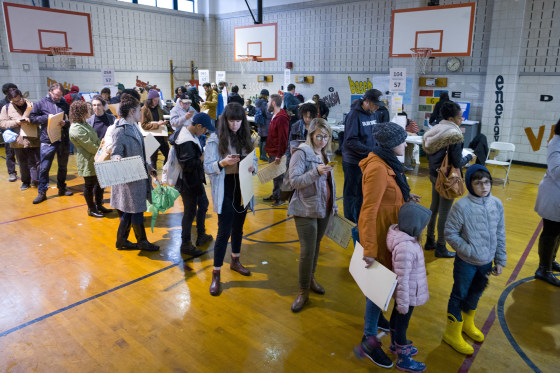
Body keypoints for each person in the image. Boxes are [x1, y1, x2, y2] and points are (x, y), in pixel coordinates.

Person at [354, 121, 420, 369]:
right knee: (377, 292)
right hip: (381, 239)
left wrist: (405, 198)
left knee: (383, 290)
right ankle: (369, 340)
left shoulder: (389, 164)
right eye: (403, 140)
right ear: (392, 144)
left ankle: (375, 329)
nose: (406, 143)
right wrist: (370, 250)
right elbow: (368, 211)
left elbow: (387, 199)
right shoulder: (378, 169)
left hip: (390, 236)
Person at [443, 164, 506, 354]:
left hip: (486, 262)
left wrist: (500, 259)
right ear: (470, 185)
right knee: (459, 294)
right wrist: (469, 250)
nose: (484, 187)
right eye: (478, 183)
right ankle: (451, 333)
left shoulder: (497, 204)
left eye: (487, 182)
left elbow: (500, 232)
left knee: (476, 293)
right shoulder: (461, 206)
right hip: (466, 262)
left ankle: (467, 323)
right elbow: (450, 233)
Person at [204, 103, 258, 296]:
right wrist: (222, 163)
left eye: (238, 121)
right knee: (223, 232)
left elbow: (254, 160)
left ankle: (235, 261)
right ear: (225, 121)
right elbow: (208, 167)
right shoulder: (215, 139)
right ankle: (216, 272)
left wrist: (253, 167)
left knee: (238, 228)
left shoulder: (246, 138)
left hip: (242, 187)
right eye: (231, 121)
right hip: (225, 187)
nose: (235, 124)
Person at [287, 118, 337, 312]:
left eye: (326, 136)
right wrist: (316, 172)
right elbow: (294, 182)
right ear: (311, 134)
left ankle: (311, 279)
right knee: (307, 251)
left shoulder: (324, 153)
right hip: (305, 207)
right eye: (319, 136)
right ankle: (303, 291)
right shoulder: (301, 153)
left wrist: (334, 204)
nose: (323, 140)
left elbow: (330, 182)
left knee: (316, 247)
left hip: (323, 206)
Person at [422, 101, 473, 258]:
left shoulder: (434, 130)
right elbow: (457, 162)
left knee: (434, 207)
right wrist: (469, 157)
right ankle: (441, 246)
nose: (461, 120)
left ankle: (430, 240)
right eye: (459, 117)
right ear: (451, 118)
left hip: (433, 174)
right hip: (447, 177)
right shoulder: (454, 135)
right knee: (445, 212)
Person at [111, 93, 159, 252]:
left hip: (138, 175)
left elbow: (140, 152)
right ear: (132, 112)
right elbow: (115, 152)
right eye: (139, 110)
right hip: (130, 178)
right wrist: (117, 158)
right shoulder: (120, 130)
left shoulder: (134, 127)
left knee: (132, 210)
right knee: (135, 210)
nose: (141, 113)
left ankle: (122, 240)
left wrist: (149, 167)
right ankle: (141, 241)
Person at [386, 202, 431, 372]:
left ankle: (394, 344)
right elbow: (402, 279)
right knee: (401, 326)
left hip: (408, 293)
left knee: (396, 320)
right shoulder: (406, 247)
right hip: (408, 294)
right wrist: (404, 303)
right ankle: (403, 358)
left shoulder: (408, 241)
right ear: (415, 226)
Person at [174, 112, 215, 256]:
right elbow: (188, 164)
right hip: (188, 183)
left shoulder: (188, 135)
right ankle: (185, 244)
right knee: (190, 213)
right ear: (198, 126)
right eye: (204, 129)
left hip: (194, 180)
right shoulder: (186, 141)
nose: (205, 132)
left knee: (203, 204)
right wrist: (203, 157)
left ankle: (201, 235)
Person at [341, 89, 384, 223]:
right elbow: (350, 141)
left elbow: (374, 135)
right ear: (367, 101)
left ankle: (359, 219)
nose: (377, 107)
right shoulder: (354, 115)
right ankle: (350, 221)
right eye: (375, 104)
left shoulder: (372, 114)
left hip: (367, 160)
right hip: (353, 162)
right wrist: (371, 150)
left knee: (362, 192)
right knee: (352, 193)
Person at [30, 83, 73, 204]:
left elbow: (72, 119)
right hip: (48, 140)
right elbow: (32, 118)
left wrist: (66, 122)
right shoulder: (40, 103)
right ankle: (42, 192)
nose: (57, 98)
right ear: (50, 91)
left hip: (63, 140)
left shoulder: (64, 104)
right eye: (55, 95)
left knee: (63, 167)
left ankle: (62, 188)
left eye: (60, 96)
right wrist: (45, 118)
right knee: (44, 168)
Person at [533, 118, 560, 287]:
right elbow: (557, 171)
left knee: (558, 232)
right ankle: (543, 269)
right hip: (553, 195)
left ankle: (551, 260)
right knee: (551, 231)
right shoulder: (555, 143)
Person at [68, 101, 105, 218]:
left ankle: (99, 205)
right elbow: (89, 145)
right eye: (88, 109)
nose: (90, 111)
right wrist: (102, 153)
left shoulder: (84, 124)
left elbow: (95, 141)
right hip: (88, 160)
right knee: (89, 185)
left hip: (96, 158)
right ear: (80, 112)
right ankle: (91, 208)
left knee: (100, 184)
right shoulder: (76, 128)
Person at [0, 89, 40, 190]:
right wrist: (16, 122)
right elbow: (2, 123)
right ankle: (25, 182)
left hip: (33, 138)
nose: (19, 102)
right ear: (10, 100)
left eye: (20, 99)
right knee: (23, 163)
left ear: (22, 96)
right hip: (18, 140)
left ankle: (37, 181)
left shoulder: (32, 105)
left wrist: (32, 120)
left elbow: (40, 119)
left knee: (36, 162)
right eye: (16, 101)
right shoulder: (7, 108)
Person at [86, 94, 115, 214]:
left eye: (98, 105)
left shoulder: (111, 118)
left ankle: (99, 203)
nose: (96, 107)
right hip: (95, 154)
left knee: (103, 181)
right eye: (94, 105)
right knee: (93, 182)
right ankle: (92, 207)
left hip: (108, 153)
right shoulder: (88, 121)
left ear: (103, 106)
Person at [264, 94, 290, 207]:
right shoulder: (275, 116)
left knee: (279, 177)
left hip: (277, 153)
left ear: (273, 103)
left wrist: (279, 155)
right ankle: (276, 195)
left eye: (268, 102)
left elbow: (283, 138)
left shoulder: (281, 118)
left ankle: (281, 198)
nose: (267, 104)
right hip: (273, 151)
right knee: (275, 176)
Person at [141, 89, 169, 171]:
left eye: (158, 100)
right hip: (151, 137)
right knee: (153, 160)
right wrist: (157, 124)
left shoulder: (159, 108)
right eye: (155, 100)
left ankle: (164, 170)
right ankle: (155, 178)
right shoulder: (144, 109)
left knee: (169, 155)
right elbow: (143, 125)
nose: (157, 102)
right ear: (150, 100)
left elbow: (161, 118)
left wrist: (163, 122)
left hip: (161, 136)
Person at [285, 103, 317, 167]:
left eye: (310, 117)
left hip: (313, 160)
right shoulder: (295, 126)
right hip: (298, 159)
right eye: (305, 116)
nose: (307, 119)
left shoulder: (317, 127)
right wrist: (288, 162)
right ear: (302, 115)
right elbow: (290, 145)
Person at [1, 83, 19, 182]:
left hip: (20, 131)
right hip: (8, 132)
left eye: (14, 89)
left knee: (24, 153)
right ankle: (12, 173)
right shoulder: (2, 103)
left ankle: (28, 173)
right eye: (10, 90)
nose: (13, 91)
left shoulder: (19, 101)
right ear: (5, 91)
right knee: (10, 153)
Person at [254, 89, 272, 161]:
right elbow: (267, 115)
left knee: (262, 138)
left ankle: (261, 155)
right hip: (265, 123)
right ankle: (264, 155)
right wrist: (273, 114)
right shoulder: (265, 104)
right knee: (265, 139)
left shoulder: (257, 102)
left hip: (259, 123)